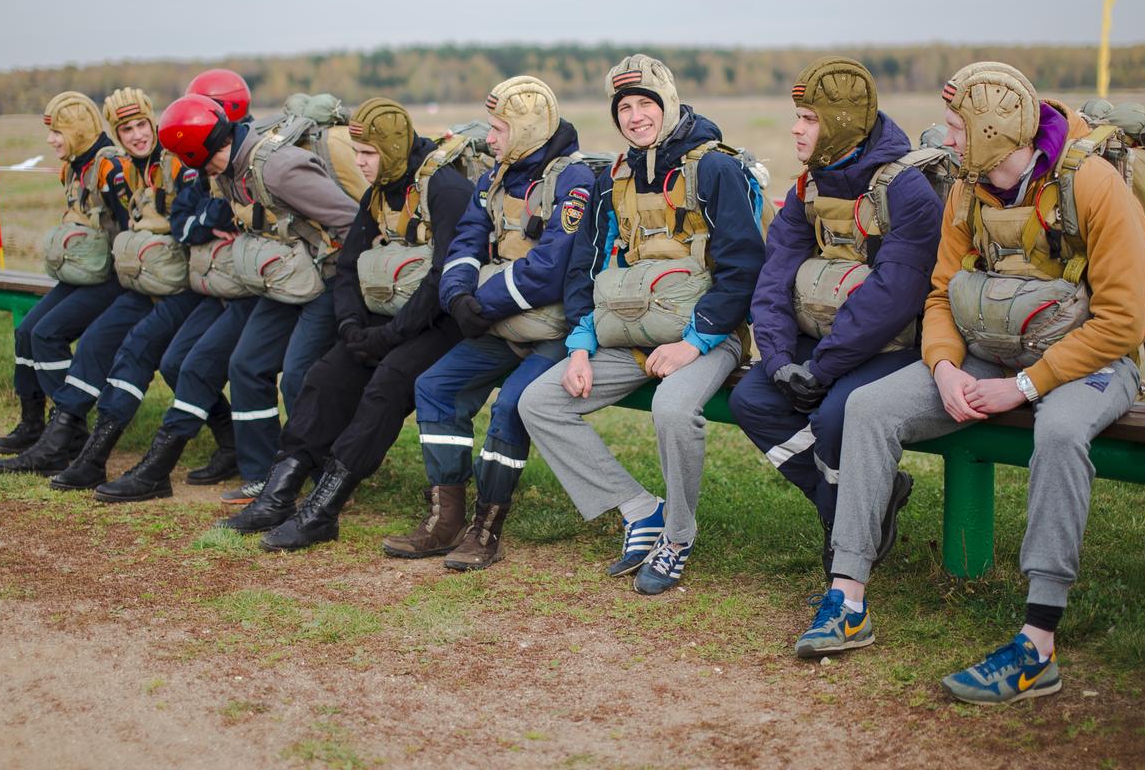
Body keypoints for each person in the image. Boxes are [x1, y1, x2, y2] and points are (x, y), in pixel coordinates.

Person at [810, 62, 1145, 705]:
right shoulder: (966, 191)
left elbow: (1123, 321)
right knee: (870, 408)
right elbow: (941, 294)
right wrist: (942, 367)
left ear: (995, 129)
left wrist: (1025, 386)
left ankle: (1037, 643)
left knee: (1060, 429)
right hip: (989, 354)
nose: (949, 138)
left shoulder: (1093, 185)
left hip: (1090, 360)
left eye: (961, 129)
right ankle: (846, 596)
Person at [519, 53, 765, 595]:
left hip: (707, 337)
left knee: (672, 407)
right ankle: (639, 509)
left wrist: (696, 343)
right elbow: (586, 266)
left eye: (644, 104)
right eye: (624, 108)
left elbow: (745, 267)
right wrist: (580, 346)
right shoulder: (614, 179)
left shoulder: (716, 168)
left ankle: (676, 537)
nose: (634, 117)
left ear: (668, 103)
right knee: (539, 403)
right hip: (628, 334)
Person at [218, 98, 474, 548]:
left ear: (393, 148)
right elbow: (350, 262)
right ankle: (280, 492)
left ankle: (324, 507)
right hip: (384, 319)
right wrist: (351, 328)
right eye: (357, 152)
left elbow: (445, 276)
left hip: (442, 321)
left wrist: (390, 337)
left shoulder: (445, 189)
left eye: (369, 153)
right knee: (325, 376)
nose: (360, 162)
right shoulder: (378, 192)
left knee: (387, 385)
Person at [728, 57, 942, 573]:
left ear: (842, 122)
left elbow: (891, 298)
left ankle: (846, 534)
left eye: (810, 118)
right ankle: (855, 505)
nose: (797, 128)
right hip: (821, 343)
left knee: (834, 413)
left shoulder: (905, 190)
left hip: (893, 347)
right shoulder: (810, 186)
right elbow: (775, 275)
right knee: (753, 399)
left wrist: (821, 369)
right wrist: (778, 358)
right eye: (797, 115)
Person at [96, 85, 359, 503]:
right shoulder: (227, 173)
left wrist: (344, 290)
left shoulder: (277, 167)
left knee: (297, 375)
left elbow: (350, 220)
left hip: (326, 280)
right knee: (245, 364)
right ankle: (261, 472)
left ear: (195, 154)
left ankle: (323, 478)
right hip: (283, 280)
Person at [385, 76, 595, 570]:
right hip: (498, 324)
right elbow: (464, 242)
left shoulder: (574, 181)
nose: (491, 138)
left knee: (511, 407)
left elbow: (552, 269)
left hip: (553, 333)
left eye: (499, 128)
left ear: (525, 129)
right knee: (435, 386)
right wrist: (458, 296)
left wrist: (484, 301)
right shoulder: (495, 177)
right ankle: (445, 519)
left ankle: (486, 529)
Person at [43, 87, 237, 490]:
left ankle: (105, 459)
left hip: (185, 286)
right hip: (144, 283)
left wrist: (163, 224)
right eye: (126, 129)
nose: (136, 136)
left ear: (154, 122)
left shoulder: (180, 163)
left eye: (141, 125)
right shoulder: (123, 171)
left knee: (141, 349)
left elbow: (199, 218)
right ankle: (69, 440)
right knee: (98, 342)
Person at [0, 92, 129, 460]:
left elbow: (131, 228)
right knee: (26, 332)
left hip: (115, 280)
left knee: (48, 333)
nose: (52, 140)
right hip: (84, 274)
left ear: (79, 130)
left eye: (58, 132)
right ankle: (33, 422)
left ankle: (68, 428)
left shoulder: (111, 168)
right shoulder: (74, 166)